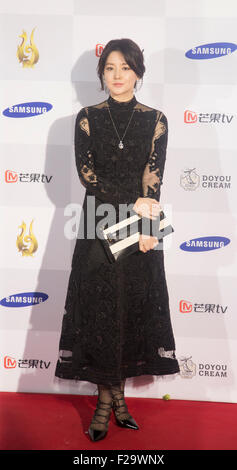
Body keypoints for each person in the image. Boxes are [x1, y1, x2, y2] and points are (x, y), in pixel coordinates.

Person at [55, 38, 180, 442]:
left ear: (138, 72)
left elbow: (153, 173)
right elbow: (87, 177)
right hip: (97, 222)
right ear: (101, 74)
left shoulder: (156, 119)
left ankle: (116, 402)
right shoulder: (86, 118)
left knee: (130, 312)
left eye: (125, 68)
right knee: (100, 314)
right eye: (109, 68)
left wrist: (147, 221)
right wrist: (137, 203)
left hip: (141, 225)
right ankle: (107, 404)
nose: (117, 76)